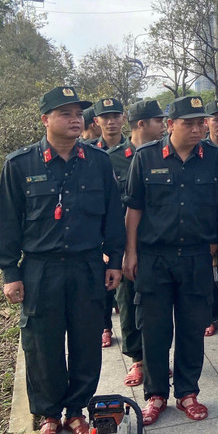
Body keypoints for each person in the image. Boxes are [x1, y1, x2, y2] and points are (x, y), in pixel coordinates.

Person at [0, 86, 124, 434]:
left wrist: (115, 260)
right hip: (41, 268)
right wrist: (10, 272)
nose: (74, 119)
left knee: (85, 340)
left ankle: (77, 411)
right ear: (45, 120)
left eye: (78, 113)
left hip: (86, 265)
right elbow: (7, 223)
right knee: (42, 343)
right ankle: (49, 413)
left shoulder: (98, 163)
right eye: (65, 113)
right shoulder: (20, 165)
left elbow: (114, 217)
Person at [123, 95, 218, 426]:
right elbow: (134, 209)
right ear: (171, 125)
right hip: (154, 258)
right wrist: (129, 252)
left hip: (196, 257)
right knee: (155, 330)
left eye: (200, 122)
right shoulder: (146, 158)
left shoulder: (215, 159)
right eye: (188, 123)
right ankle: (156, 394)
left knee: (191, 329)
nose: (196, 128)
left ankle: (188, 393)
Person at [107, 99, 165, 387]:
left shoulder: (162, 155)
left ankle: (156, 357)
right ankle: (138, 361)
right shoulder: (113, 158)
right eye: (158, 121)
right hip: (124, 243)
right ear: (141, 124)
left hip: (156, 243)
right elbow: (106, 206)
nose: (164, 126)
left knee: (155, 307)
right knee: (128, 303)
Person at [91, 97, 126, 347]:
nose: (111, 121)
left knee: (126, 286)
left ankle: (132, 338)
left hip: (128, 225)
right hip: (99, 229)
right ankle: (105, 326)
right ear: (96, 121)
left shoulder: (135, 151)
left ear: (123, 118)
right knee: (103, 281)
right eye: (105, 117)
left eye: (115, 116)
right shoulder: (89, 153)